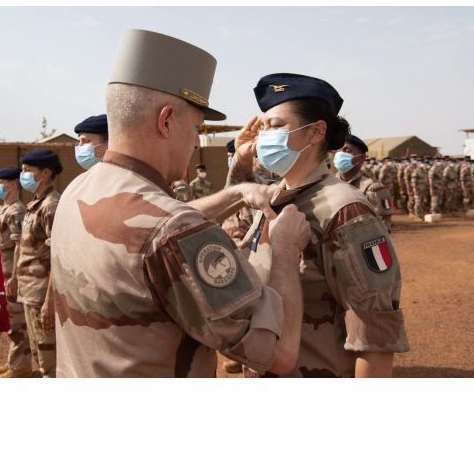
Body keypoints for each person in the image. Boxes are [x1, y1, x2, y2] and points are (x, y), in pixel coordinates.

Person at [50, 29, 310, 377]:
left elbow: (152, 229)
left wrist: (234, 192)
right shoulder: (172, 228)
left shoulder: (79, 189)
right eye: (197, 128)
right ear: (167, 120)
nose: (194, 141)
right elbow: (277, 354)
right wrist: (285, 249)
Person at [229, 73, 409, 377]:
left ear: (315, 132)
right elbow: (233, 233)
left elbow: (375, 336)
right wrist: (241, 165)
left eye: (274, 126)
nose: (263, 137)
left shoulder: (346, 210)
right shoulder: (276, 197)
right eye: (262, 128)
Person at [15, 149, 61, 377]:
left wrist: (49, 302)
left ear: (44, 173)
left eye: (26, 170)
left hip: (43, 293)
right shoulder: (35, 204)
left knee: (51, 360)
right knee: (39, 354)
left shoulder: (51, 206)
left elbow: (58, 256)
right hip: (31, 292)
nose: (22, 175)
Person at [0, 166, 32, 378]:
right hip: (3, 273)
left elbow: (20, 246)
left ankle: (21, 368)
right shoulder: (4, 209)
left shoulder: (16, 211)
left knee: (18, 323)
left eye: (1, 182)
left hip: (12, 274)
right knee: (12, 321)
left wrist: (15, 277)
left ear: (13, 185)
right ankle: (13, 361)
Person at [333, 134, 393, 231]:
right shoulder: (328, 184)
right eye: (338, 150)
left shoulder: (373, 188)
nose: (340, 154)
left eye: (346, 150)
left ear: (361, 158)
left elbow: (383, 227)